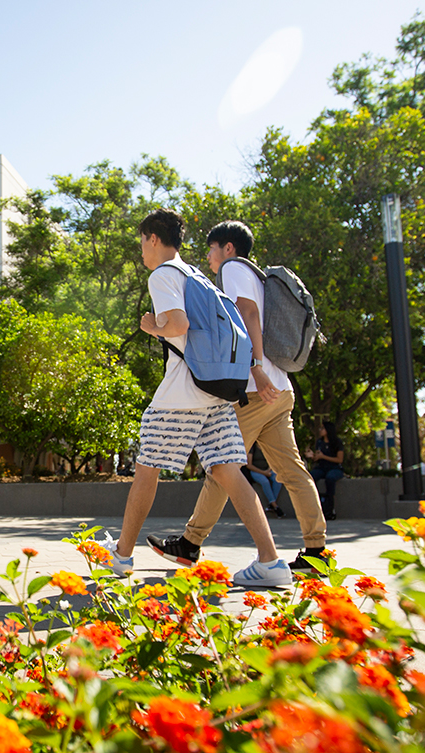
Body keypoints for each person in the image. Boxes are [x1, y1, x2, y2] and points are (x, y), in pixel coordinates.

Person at [107, 209, 289, 588]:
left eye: (142, 242)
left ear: (154, 239)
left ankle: (122, 555)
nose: (141, 251)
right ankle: (271, 561)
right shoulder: (196, 274)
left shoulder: (163, 275)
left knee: (147, 467)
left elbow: (177, 324)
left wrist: (150, 327)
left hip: (182, 393)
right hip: (217, 389)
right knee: (227, 470)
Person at [145, 220, 326, 573]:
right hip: (280, 388)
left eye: (212, 249)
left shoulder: (234, 269)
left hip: (258, 390)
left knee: (221, 464)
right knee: (291, 471)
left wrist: (255, 366)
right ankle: (317, 552)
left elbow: (248, 314)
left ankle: (191, 543)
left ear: (228, 248)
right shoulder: (259, 277)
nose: (210, 258)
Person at [306, 420, 344, 520]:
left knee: (330, 478)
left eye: (322, 428)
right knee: (310, 477)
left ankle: (329, 507)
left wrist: (323, 456)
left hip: (334, 467)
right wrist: (312, 456)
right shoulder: (319, 442)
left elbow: (339, 459)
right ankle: (313, 505)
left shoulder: (337, 442)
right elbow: (318, 457)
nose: (320, 430)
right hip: (321, 467)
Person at [244, 445, 285, 518]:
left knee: (278, 479)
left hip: (268, 470)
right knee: (265, 482)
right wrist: (263, 473)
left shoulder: (267, 446)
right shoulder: (252, 448)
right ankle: (275, 507)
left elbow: (273, 460)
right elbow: (249, 465)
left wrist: (268, 470)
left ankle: (271, 504)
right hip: (256, 471)